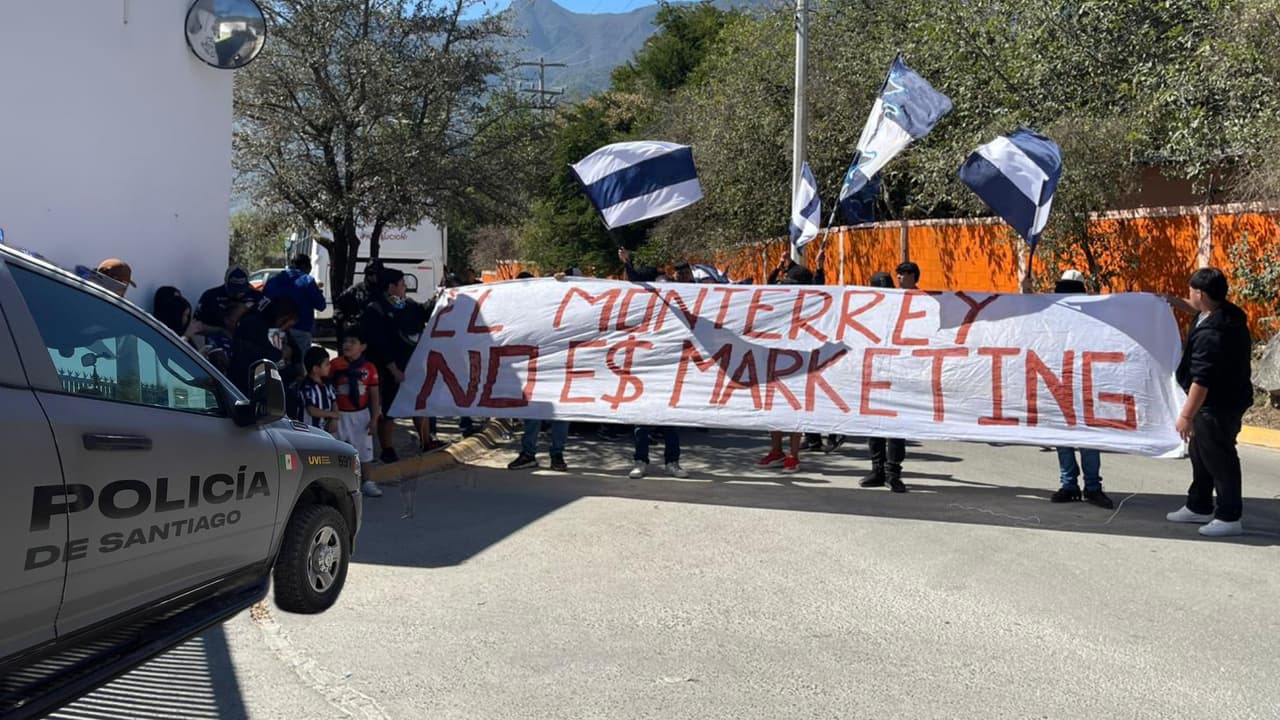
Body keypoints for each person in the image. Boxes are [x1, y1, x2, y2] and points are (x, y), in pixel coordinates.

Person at [1165, 267, 1253, 537]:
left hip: (1218, 405)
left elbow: (1202, 381)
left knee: (1220, 458)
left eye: (1190, 291)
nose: (1188, 295)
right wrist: (1169, 300)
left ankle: (1229, 516)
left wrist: (1186, 416)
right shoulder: (1220, 312)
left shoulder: (1214, 334)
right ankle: (1199, 505)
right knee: (1200, 454)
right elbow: (1194, 309)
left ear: (1201, 293)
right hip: (1218, 402)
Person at [1049, 271, 1113, 509]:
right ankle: (1070, 485)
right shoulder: (1052, 316)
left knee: (1087, 437)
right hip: (1058, 381)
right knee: (1063, 437)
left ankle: (1091, 487)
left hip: (1085, 382)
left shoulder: (1092, 318)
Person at [361, 268, 438, 463]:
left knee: (419, 405)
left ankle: (426, 441)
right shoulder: (375, 310)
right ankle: (387, 449)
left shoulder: (408, 305)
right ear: (391, 287)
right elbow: (379, 343)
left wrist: (440, 297)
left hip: (412, 367)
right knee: (389, 410)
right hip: (388, 371)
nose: (405, 287)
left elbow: (423, 312)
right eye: (402, 284)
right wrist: (393, 368)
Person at [757, 263, 816, 473]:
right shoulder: (782, 305)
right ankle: (776, 451)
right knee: (775, 410)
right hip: (776, 364)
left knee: (794, 413)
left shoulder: (813, 308)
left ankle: (793, 456)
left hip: (799, 368)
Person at [860, 270, 908, 493]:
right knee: (875, 425)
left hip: (899, 375)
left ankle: (892, 472)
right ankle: (877, 469)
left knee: (896, 428)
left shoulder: (906, 311)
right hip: (874, 374)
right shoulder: (867, 313)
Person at [330, 331, 384, 497]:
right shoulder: (335, 365)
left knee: (365, 450)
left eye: (353, 341)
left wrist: (375, 417)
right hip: (340, 413)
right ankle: (335, 483)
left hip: (361, 415)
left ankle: (367, 481)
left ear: (362, 347)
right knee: (336, 449)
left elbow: (374, 394)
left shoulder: (369, 368)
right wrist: (332, 415)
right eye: (345, 341)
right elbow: (329, 389)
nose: (348, 345)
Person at [228, 295, 297, 396]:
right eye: (289, 324)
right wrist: (282, 354)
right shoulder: (253, 326)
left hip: (273, 382)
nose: (287, 328)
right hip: (249, 383)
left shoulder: (276, 328)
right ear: (284, 317)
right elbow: (266, 356)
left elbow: (294, 351)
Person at [264, 254, 327, 353]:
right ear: (306, 266)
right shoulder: (307, 281)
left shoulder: (273, 281)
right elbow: (321, 306)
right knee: (301, 364)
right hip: (300, 331)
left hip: (275, 330)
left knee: (276, 362)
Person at [196, 265, 264, 329]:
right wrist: (220, 330)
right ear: (226, 282)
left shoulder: (257, 297)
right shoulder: (210, 296)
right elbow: (196, 324)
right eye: (233, 290)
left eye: (241, 290)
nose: (237, 294)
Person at [335, 260, 385, 343]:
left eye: (377, 273)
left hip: (379, 336)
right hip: (359, 337)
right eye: (371, 273)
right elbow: (339, 306)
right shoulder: (355, 290)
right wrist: (344, 321)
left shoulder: (385, 291)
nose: (374, 276)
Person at [300, 346, 339, 435]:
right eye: (326, 364)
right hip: (310, 432)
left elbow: (334, 403)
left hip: (326, 430)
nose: (330, 366)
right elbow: (312, 410)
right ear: (315, 369)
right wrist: (332, 414)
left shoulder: (328, 384)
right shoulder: (307, 386)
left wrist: (334, 419)